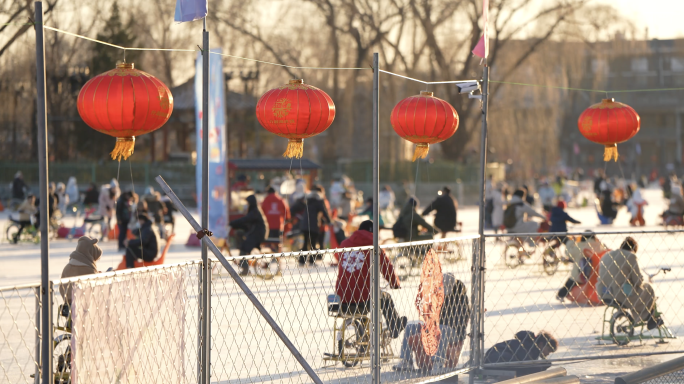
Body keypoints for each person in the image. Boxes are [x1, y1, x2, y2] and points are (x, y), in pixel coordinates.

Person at [335, 220, 407, 338]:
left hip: (342, 297)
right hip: (364, 297)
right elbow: (386, 267)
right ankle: (395, 326)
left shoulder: (344, 244)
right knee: (385, 298)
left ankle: (363, 339)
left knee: (363, 300)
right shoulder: (373, 246)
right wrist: (394, 283)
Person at [393, 274, 471, 372]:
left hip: (454, 333)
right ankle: (406, 361)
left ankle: (438, 362)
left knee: (441, 328)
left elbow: (459, 322)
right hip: (435, 328)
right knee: (410, 327)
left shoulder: (461, 298)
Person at [597, 237, 663, 330]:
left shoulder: (607, 255)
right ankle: (647, 317)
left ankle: (643, 316)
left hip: (604, 294)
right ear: (633, 250)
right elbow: (638, 281)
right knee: (648, 287)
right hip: (621, 295)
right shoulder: (630, 256)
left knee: (631, 290)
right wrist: (641, 278)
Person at [557, 231, 607, 301]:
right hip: (597, 274)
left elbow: (568, 253)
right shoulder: (600, 246)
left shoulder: (580, 246)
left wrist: (570, 242)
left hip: (580, 275)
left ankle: (561, 295)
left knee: (571, 281)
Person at [229, 195, 269, 275]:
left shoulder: (254, 211)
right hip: (255, 233)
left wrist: (232, 223)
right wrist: (234, 225)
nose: (247, 205)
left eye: (248, 203)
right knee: (239, 233)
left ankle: (245, 269)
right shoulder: (254, 211)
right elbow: (246, 224)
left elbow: (245, 219)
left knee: (244, 247)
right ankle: (244, 262)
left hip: (258, 235)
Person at [291, 188, 330, 264]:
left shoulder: (307, 202)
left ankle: (302, 260)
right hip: (314, 225)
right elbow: (324, 212)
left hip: (305, 225)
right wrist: (329, 221)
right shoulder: (319, 202)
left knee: (305, 243)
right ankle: (312, 260)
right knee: (313, 243)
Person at [59, 236, 102, 305]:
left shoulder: (67, 267)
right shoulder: (89, 269)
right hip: (86, 306)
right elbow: (96, 290)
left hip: (69, 305)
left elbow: (62, 287)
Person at [484, 330, 558, 364]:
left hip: (493, 358)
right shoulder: (528, 347)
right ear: (541, 344)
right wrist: (542, 367)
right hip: (496, 359)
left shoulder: (529, 345)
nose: (548, 353)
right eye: (548, 350)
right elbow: (525, 368)